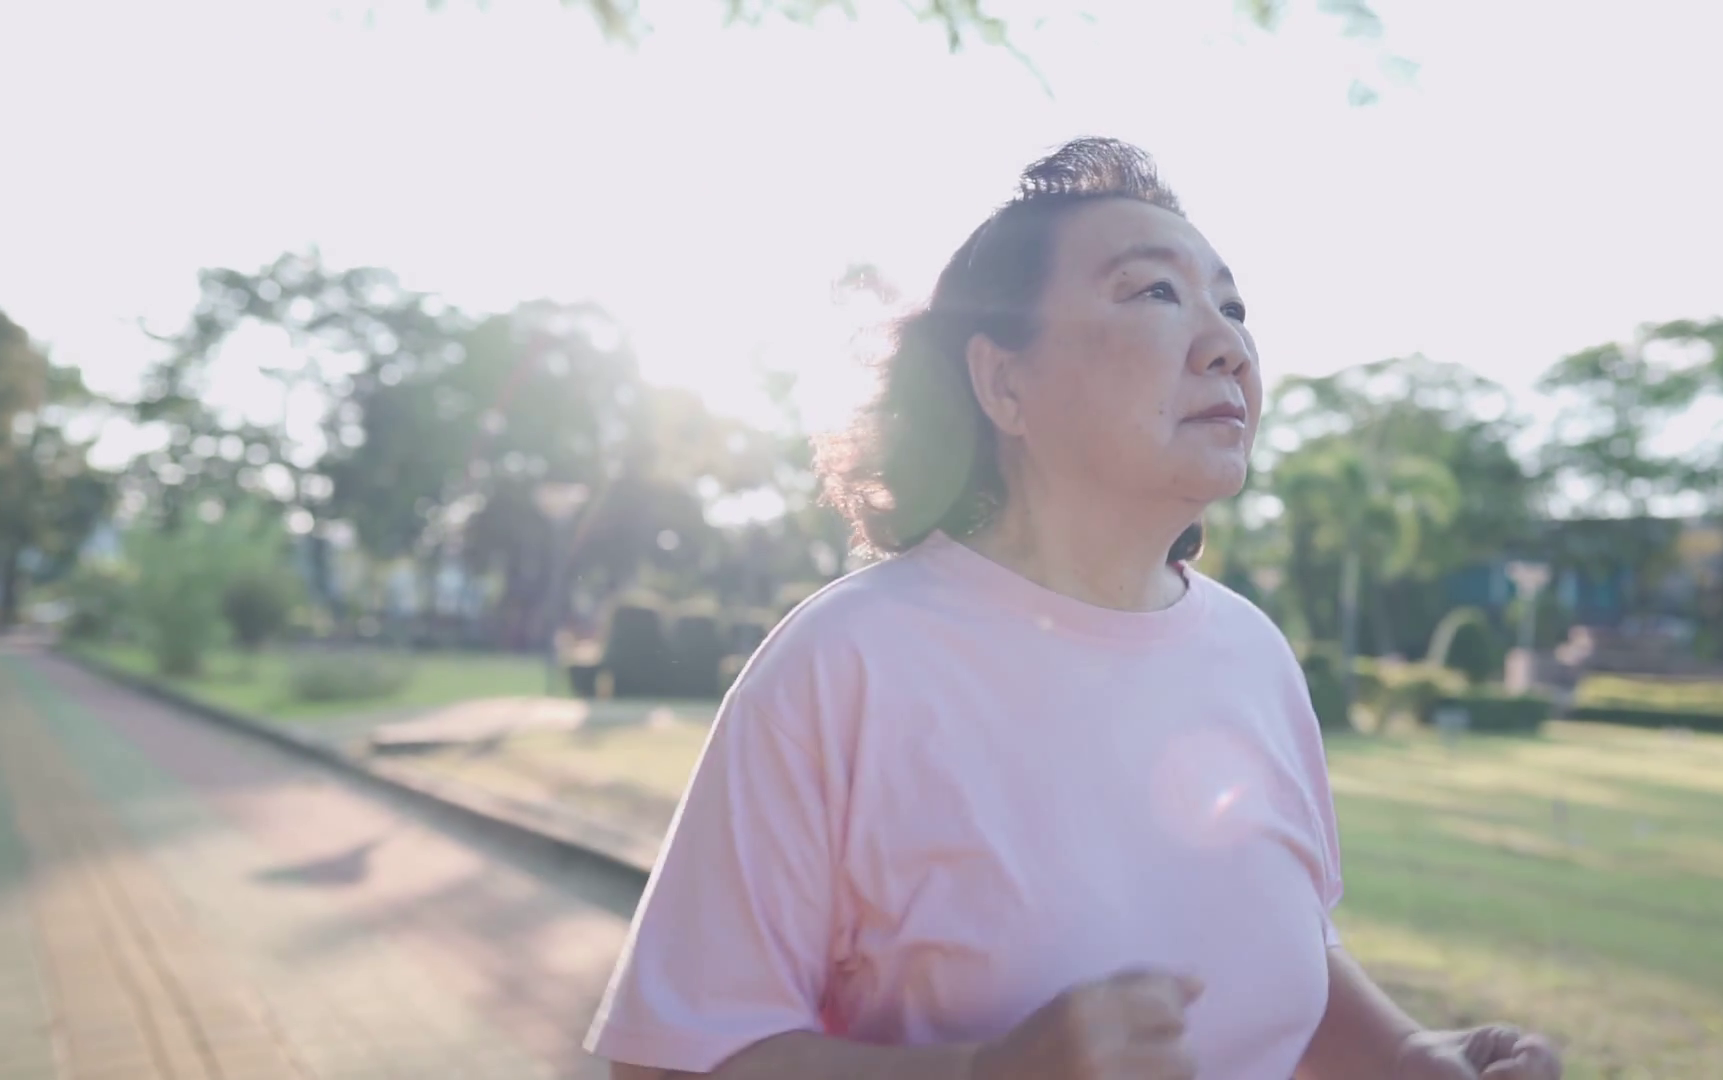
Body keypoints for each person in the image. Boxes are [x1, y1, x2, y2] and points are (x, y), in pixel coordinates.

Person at [585, 138, 1563, 1080]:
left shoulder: (1253, 654)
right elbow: (671, 1061)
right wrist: (988, 1075)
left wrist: (1400, 1056)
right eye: (1155, 292)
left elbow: (1284, 935)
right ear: (1003, 381)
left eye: (1233, 307)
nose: (1229, 347)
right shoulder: (843, 664)